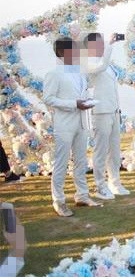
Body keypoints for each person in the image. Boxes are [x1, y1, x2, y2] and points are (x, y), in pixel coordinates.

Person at [43, 38, 100, 217]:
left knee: (81, 160)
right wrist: (74, 103)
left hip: (82, 122)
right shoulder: (54, 74)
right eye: (74, 49)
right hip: (65, 124)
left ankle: (82, 195)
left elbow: (83, 92)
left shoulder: (79, 71)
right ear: (62, 52)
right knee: (61, 162)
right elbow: (48, 99)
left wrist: (87, 101)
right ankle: (58, 201)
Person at [84, 32, 130, 199]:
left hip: (113, 111)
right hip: (100, 112)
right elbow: (100, 67)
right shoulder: (88, 63)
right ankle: (100, 186)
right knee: (100, 151)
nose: (102, 45)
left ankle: (115, 183)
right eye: (99, 43)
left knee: (115, 151)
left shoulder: (106, 63)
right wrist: (110, 45)